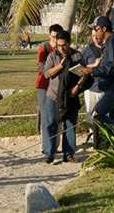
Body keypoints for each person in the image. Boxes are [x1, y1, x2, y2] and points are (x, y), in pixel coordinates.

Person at [81, 16, 114, 125]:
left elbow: (113, 66)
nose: (94, 31)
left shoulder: (112, 41)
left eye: (96, 28)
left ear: (103, 29)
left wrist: (92, 71)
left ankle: (112, 135)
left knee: (96, 114)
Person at [43, 31, 84, 163]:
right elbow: (46, 74)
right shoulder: (52, 56)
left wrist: (77, 87)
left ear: (69, 43)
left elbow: (83, 75)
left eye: (64, 45)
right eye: (59, 45)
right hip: (53, 96)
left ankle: (69, 153)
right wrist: (59, 66)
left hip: (70, 96)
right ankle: (50, 153)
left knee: (70, 124)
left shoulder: (77, 56)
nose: (61, 48)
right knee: (51, 124)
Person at [35, 24, 62, 157]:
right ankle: (46, 147)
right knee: (46, 117)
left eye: (57, 37)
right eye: (53, 37)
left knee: (57, 117)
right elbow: (41, 68)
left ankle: (55, 145)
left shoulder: (62, 50)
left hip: (58, 87)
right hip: (43, 86)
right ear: (49, 36)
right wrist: (53, 69)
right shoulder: (44, 48)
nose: (55, 40)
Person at [81, 30, 103, 142]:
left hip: (105, 87)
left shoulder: (108, 48)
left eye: (97, 36)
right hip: (91, 87)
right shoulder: (87, 50)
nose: (95, 38)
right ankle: (93, 137)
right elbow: (81, 67)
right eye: (93, 36)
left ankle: (103, 137)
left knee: (104, 114)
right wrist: (94, 65)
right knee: (90, 114)